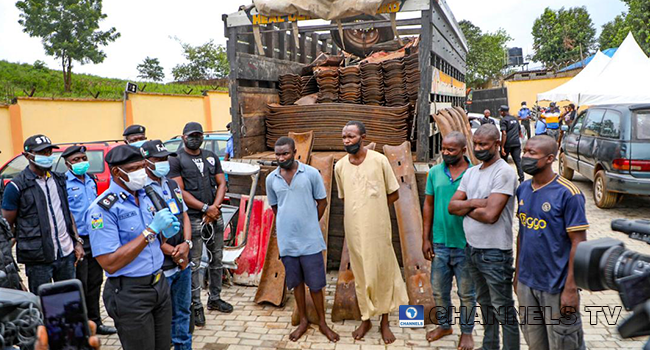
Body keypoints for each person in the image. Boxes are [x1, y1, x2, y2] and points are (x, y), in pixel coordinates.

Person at [86, 145, 178, 350]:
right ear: (118, 172)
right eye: (135, 168)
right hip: (130, 292)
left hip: (159, 285)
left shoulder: (147, 195)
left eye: (144, 167)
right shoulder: (103, 209)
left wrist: (165, 233)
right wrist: (150, 231)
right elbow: (109, 263)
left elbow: (156, 238)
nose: (142, 173)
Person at [334, 121, 408, 345]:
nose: (347, 140)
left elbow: (393, 194)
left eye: (352, 137)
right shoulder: (340, 167)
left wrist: (373, 210)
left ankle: (385, 321)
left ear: (363, 137)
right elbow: (346, 198)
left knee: (382, 271)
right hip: (354, 231)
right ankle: (366, 318)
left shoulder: (380, 161)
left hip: (378, 229)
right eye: (344, 136)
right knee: (361, 273)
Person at [449, 124, 520, 350]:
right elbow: (452, 206)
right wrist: (476, 202)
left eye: (483, 144)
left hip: (495, 253)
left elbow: (491, 215)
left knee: (503, 308)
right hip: (472, 249)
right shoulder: (471, 172)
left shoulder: (504, 172)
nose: (478, 148)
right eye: (476, 144)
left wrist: (466, 206)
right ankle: (490, 346)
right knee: (485, 304)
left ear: (497, 144)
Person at [515, 136, 588, 350]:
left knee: (564, 343)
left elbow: (579, 244)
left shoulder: (569, 194)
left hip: (556, 287)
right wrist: (518, 274)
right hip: (527, 284)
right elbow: (522, 233)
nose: (525, 157)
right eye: (525, 151)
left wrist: (571, 289)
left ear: (549, 159)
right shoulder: (524, 189)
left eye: (532, 154)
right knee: (534, 343)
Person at [266, 137, 340, 342]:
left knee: (316, 285)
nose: (281, 158)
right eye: (278, 154)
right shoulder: (271, 179)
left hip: (310, 241)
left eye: (285, 154)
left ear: (294, 152)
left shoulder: (310, 174)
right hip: (287, 243)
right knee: (296, 283)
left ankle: (322, 323)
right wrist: (288, 225)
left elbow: (322, 203)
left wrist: (309, 222)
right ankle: (304, 321)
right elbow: (275, 208)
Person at [169, 121, 233, 328]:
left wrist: (214, 207)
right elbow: (180, 191)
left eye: (198, 134)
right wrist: (206, 208)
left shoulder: (211, 156)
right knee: (194, 264)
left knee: (216, 259)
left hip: (214, 216)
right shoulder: (176, 159)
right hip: (195, 218)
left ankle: (214, 298)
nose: (195, 138)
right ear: (183, 137)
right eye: (191, 135)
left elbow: (222, 182)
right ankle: (196, 306)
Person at [1, 135, 84, 294]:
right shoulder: (17, 186)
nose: (46, 157)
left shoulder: (59, 180)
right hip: (37, 259)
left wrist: (77, 242)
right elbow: (6, 228)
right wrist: (8, 264)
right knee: (44, 304)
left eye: (48, 152)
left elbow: (66, 213)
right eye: (41, 153)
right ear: (27, 156)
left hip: (66, 254)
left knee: (70, 301)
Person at [421, 132, 475, 350]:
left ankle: (467, 332)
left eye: (451, 150)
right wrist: (426, 238)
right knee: (438, 290)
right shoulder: (434, 172)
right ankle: (445, 325)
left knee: (467, 294)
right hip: (440, 242)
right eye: (444, 148)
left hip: (466, 244)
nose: (446, 153)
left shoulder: (474, 174)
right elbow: (428, 205)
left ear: (463, 150)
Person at [142, 140, 194, 350]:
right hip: (161, 266)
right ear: (146, 162)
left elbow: (184, 215)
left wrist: (187, 244)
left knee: (183, 312)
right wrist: (172, 251)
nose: (163, 163)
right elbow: (145, 230)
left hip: (182, 262)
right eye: (158, 160)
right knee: (162, 317)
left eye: (165, 159)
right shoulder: (142, 190)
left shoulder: (172, 184)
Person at [62, 145, 117, 336]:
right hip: (77, 241)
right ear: (67, 163)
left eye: (83, 158)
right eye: (76, 160)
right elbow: (65, 214)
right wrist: (75, 240)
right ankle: (81, 327)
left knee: (95, 282)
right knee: (80, 284)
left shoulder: (92, 179)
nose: (80, 162)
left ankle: (96, 322)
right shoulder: (63, 183)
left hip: (95, 238)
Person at [499, 105, 525, 183]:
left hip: (507, 143)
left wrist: (502, 146)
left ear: (503, 112)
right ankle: (522, 178)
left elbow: (504, 133)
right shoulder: (515, 119)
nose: (500, 113)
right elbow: (520, 131)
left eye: (500, 111)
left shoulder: (503, 120)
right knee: (518, 161)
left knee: (503, 161)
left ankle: (505, 179)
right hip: (516, 143)